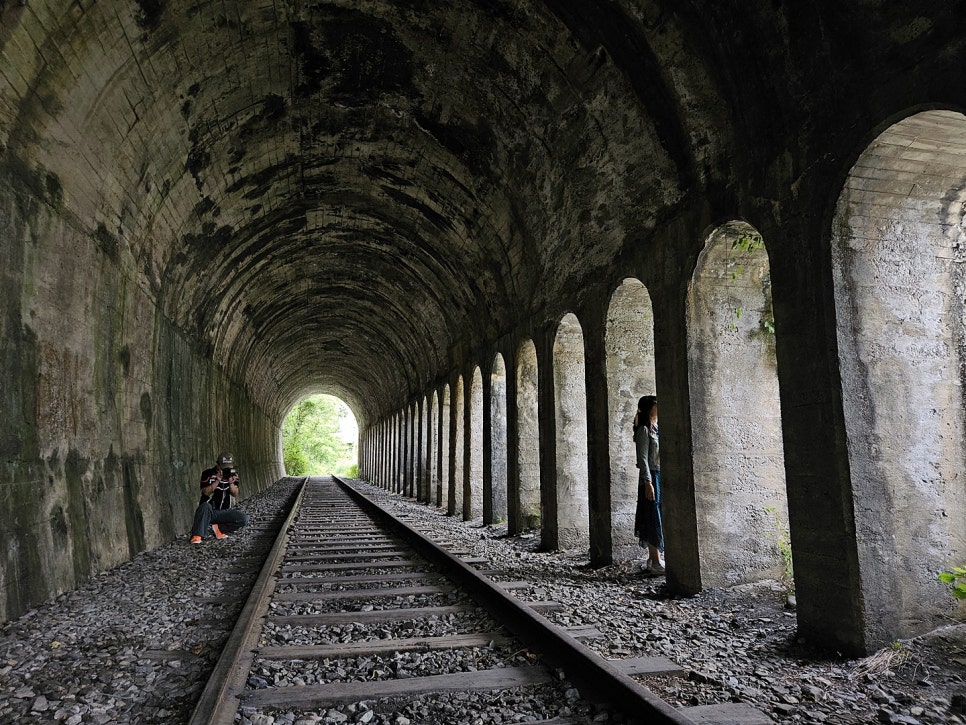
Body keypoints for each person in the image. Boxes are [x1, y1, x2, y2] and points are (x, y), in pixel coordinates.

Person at [633, 395, 665, 574]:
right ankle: (655, 561)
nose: (659, 407)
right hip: (651, 477)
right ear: (649, 408)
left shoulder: (657, 429)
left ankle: (655, 558)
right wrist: (648, 482)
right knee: (653, 516)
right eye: (656, 405)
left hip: (659, 475)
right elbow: (643, 459)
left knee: (659, 515)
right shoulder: (644, 430)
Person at [189, 452, 249, 543]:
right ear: (218, 465)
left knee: (243, 518)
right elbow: (205, 492)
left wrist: (231, 483)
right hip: (209, 511)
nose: (226, 470)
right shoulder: (207, 474)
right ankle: (197, 536)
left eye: (228, 467)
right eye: (224, 467)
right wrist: (217, 481)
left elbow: (235, 493)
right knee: (205, 506)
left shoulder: (233, 475)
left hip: (223, 512)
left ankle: (219, 529)